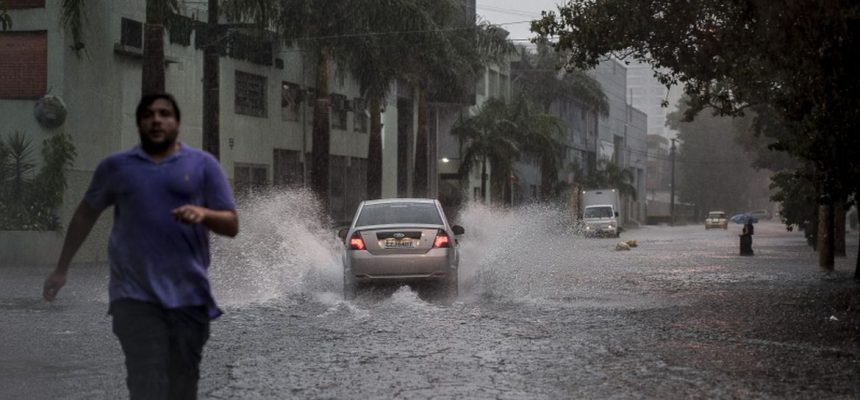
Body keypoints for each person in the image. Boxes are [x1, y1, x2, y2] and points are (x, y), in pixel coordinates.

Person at [42, 93, 239, 399]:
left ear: (177, 122)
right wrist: (61, 269)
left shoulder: (203, 166)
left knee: (182, 386)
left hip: (189, 298)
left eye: (164, 113)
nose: (156, 119)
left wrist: (204, 213)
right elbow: (84, 215)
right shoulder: (116, 168)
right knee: (145, 380)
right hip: (133, 297)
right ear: (138, 123)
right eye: (148, 114)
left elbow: (231, 224)